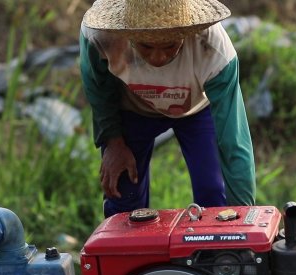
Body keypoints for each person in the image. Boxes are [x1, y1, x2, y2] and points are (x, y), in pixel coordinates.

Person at [80, 0, 255, 219]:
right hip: (132, 109)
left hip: (196, 111)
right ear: (128, 34)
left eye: (170, 46)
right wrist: (113, 140)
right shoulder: (100, 37)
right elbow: (99, 90)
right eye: (146, 46)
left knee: (213, 194)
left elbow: (234, 141)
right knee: (124, 199)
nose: (158, 58)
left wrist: (243, 218)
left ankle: (212, 253)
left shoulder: (214, 52)